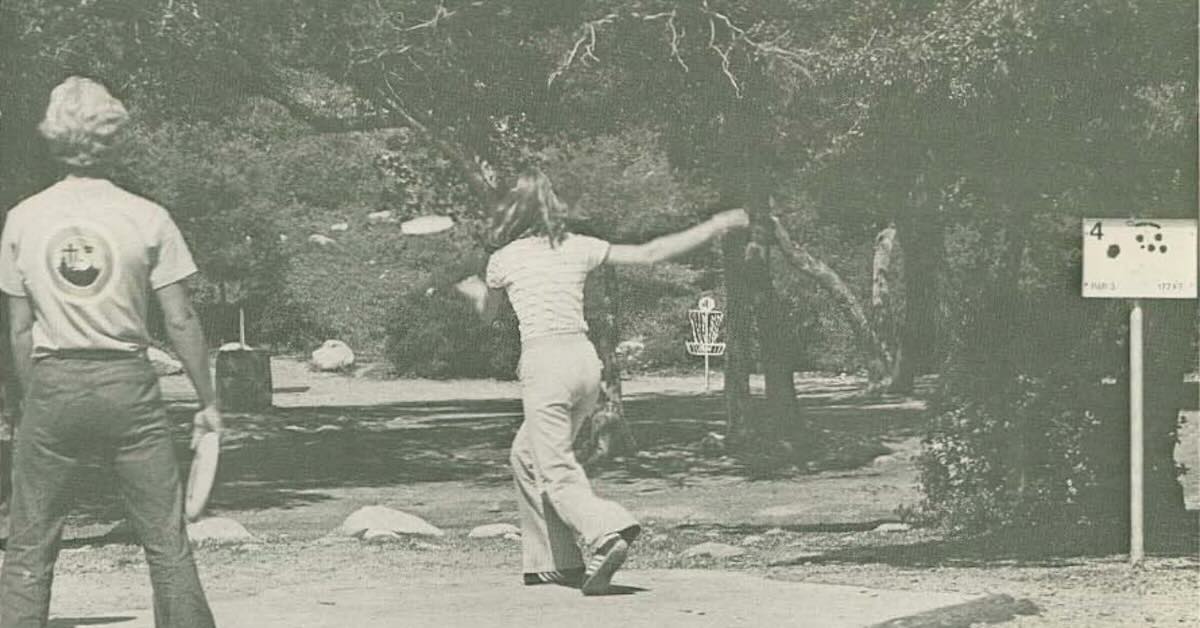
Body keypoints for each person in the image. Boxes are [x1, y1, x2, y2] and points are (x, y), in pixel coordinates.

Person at [0, 76, 220, 628]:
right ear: (114, 137)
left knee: (29, 542)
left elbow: (20, 331)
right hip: (129, 383)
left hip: (54, 381)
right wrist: (207, 398)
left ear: (52, 137)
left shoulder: (23, 218)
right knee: (165, 539)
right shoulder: (146, 217)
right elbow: (180, 319)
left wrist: (36, 403)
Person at [476, 168, 748, 595]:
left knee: (554, 468)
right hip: (584, 363)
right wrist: (715, 225)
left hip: (544, 363)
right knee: (525, 456)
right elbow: (652, 252)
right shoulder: (578, 246)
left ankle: (607, 532)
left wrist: (462, 287)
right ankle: (554, 563)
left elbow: (486, 314)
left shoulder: (503, 259)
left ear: (512, 213)